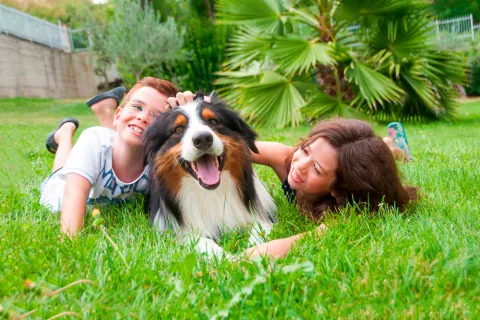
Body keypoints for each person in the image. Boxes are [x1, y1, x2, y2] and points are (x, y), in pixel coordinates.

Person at [166, 92, 417, 259]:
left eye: (316, 168)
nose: (301, 165)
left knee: (380, 153)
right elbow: (235, 147)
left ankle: (393, 148)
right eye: (306, 150)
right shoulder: (286, 158)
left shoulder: (342, 209)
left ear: (337, 189)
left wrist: (245, 258)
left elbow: (299, 241)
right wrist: (204, 120)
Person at [40, 77, 178, 236]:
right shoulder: (93, 139)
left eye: (157, 117)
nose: (143, 117)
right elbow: (74, 192)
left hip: (115, 148)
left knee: (115, 145)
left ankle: (103, 109)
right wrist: (70, 242)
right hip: (59, 189)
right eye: (137, 107)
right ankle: (64, 134)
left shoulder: (158, 162)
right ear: (118, 114)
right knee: (61, 169)